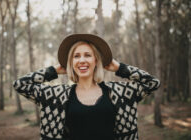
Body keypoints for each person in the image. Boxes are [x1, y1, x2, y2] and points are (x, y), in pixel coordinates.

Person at [13, 34, 160, 140]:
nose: (82, 60)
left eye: (87, 55)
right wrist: (54, 70)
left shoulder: (119, 92)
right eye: (76, 56)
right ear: (71, 63)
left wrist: (119, 68)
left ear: (96, 60)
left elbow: (152, 83)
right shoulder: (56, 94)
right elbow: (20, 85)